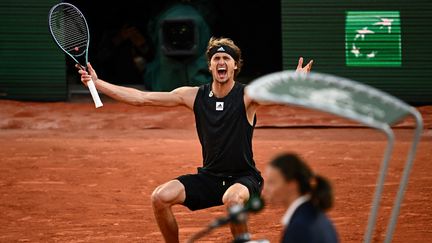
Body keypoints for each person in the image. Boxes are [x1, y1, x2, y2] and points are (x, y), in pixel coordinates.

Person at [77, 37, 313, 243]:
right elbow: (141, 98)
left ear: (235, 66)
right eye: (216, 58)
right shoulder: (192, 96)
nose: (221, 62)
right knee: (160, 197)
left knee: (232, 200)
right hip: (210, 177)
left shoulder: (247, 96)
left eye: (227, 59)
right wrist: (97, 84)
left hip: (244, 179)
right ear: (210, 66)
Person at [262, 153, 339, 243]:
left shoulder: (299, 228)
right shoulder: (318, 216)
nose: (265, 189)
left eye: (272, 182)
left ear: (292, 185)